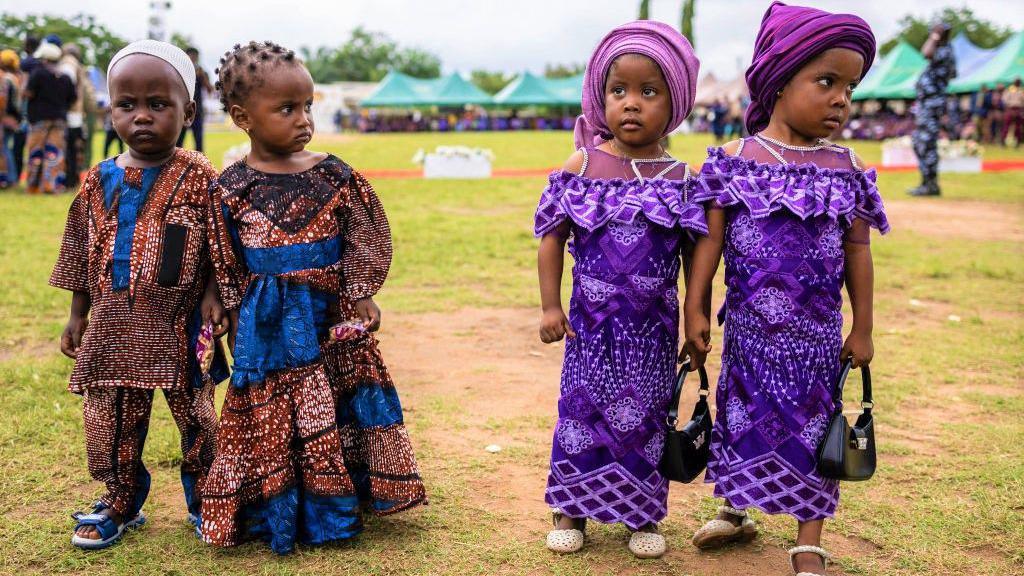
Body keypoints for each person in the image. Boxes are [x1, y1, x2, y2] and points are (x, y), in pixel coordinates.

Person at [683, 4, 889, 575]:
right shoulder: (733, 163)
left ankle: (808, 538)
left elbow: (858, 250)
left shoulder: (846, 168)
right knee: (740, 415)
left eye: (850, 86)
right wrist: (694, 307)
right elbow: (709, 243)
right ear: (778, 81)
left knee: (817, 424)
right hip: (749, 333)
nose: (841, 98)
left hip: (818, 337)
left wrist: (863, 326)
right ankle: (735, 507)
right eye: (827, 82)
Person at [199, 41, 427, 555]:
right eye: (286, 109)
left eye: (307, 106)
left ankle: (341, 497)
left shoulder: (335, 175)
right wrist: (225, 301)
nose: (303, 119)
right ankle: (277, 504)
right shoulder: (230, 188)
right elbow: (222, 253)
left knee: (340, 400)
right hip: (267, 322)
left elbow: (363, 234)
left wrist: (362, 291)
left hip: (331, 312)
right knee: (278, 408)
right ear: (242, 117)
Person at [49, 40, 236, 550]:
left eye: (159, 104)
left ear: (188, 110)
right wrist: (76, 316)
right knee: (111, 421)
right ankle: (120, 499)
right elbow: (81, 250)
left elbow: (221, 245)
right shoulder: (97, 182)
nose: (142, 118)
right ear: (111, 110)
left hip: (178, 325)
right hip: (113, 327)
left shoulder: (200, 176)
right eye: (127, 105)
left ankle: (209, 499)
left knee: (199, 419)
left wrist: (215, 294)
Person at [535, 21, 704, 559]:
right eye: (618, 91)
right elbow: (550, 236)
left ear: (674, 102)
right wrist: (549, 304)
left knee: (648, 418)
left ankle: (642, 512)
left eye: (648, 92)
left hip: (652, 335)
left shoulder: (682, 178)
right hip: (590, 331)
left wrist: (696, 312)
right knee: (582, 413)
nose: (631, 104)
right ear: (599, 97)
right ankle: (571, 509)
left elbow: (700, 253)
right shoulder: (582, 166)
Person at [909, 22, 956, 196]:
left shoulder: (944, 50)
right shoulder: (946, 51)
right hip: (928, 103)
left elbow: (925, 52)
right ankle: (927, 183)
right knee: (919, 142)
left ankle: (930, 185)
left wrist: (935, 36)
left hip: (932, 103)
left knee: (926, 143)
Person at [23, 42, 75, 194]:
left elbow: (28, 93)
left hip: (39, 119)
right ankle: (51, 186)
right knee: (55, 154)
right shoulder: (65, 77)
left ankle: (33, 186)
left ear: (44, 58)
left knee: (35, 152)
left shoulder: (38, 73)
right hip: (59, 119)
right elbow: (72, 98)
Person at [59, 43, 97, 189]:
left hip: (69, 114)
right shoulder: (79, 67)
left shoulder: (67, 64)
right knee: (74, 149)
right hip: (77, 115)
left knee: (68, 149)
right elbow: (88, 96)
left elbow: (66, 90)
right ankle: (72, 180)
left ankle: (68, 181)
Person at [176, 47, 213, 151]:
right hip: (182, 112)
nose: (193, 59)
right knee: (178, 142)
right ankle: (177, 163)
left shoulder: (202, 72)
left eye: (195, 57)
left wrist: (202, 77)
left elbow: (210, 90)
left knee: (199, 142)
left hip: (197, 113)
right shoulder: (180, 71)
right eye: (191, 56)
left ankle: (199, 165)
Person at [0, 49, 21, 187]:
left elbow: (6, 101)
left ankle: (11, 178)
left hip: (7, 117)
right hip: (13, 117)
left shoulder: (6, 78)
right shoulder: (14, 77)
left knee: (4, 149)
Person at [1001, 77, 1023, 147]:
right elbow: (1004, 99)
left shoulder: (1021, 90)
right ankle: (1003, 141)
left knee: (1018, 127)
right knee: (1006, 126)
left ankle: (1018, 142)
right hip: (1010, 109)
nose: (1018, 83)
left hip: (1018, 109)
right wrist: (1010, 105)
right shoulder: (1010, 89)